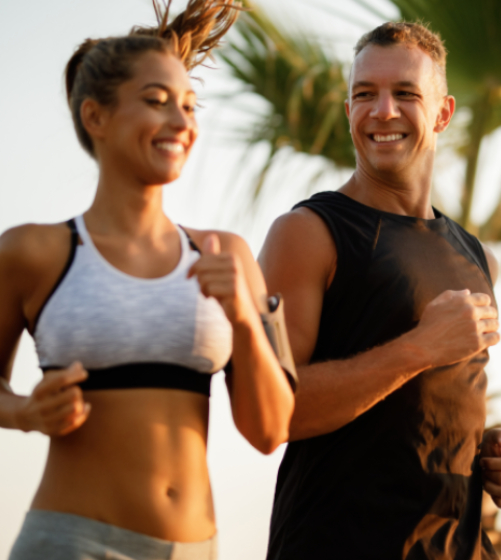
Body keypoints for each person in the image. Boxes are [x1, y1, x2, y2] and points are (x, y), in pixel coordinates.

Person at [0, 2, 294, 559]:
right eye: (157, 103)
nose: (182, 124)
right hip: (69, 543)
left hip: (194, 549)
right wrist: (24, 413)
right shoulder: (31, 251)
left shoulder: (225, 255)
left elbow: (271, 430)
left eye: (188, 105)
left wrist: (244, 322)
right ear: (96, 118)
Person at [259, 22, 501, 560]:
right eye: (365, 95)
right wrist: (420, 347)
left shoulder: (478, 257)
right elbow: (275, 410)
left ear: (443, 113)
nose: (382, 111)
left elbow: (422, 414)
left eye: (405, 94)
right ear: (348, 111)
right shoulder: (308, 233)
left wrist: (492, 456)